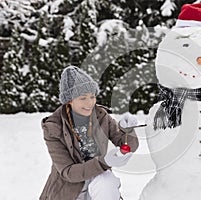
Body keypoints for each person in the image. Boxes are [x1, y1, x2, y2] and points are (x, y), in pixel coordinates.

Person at [40, 66, 139, 200]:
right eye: (83, 98)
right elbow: (68, 172)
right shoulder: (53, 128)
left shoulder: (100, 116)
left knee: (106, 182)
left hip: (98, 182)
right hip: (68, 191)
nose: (90, 103)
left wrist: (128, 130)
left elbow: (126, 144)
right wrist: (103, 163)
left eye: (92, 96)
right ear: (70, 100)